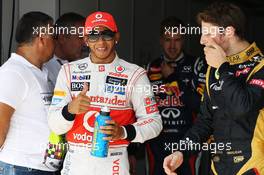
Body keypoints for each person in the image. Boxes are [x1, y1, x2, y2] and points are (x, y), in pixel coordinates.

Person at [48, 11, 163, 175]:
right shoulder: (68, 71)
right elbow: (54, 124)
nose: (101, 42)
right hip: (75, 165)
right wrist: (70, 110)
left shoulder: (135, 74)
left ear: (117, 37)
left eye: (107, 35)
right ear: (86, 40)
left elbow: (154, 122)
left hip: (115, 164)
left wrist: (123, 132)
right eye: (94, 36)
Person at [163, 2, 264, 175]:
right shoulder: (214, 68)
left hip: (252, 166)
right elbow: (205, 120)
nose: (202, 40)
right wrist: (182, 151)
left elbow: (242, 107)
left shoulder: (260, 66)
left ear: (229, 32)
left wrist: (223, 69)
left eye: (208, 33)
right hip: (217, 167)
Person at [146, 17, 207, 175]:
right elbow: (140, 109)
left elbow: (200, 105)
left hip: (187, 140)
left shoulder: (197, 65)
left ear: (184, 40)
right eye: (168, 40)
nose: (172, 45)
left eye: (177, 39)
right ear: (161, 40)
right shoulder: (150, 67)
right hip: (156, 142)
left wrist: (173, 79)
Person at [0, 12, 56, 175]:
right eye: (54, 36)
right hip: (20, 167)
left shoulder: (42, 71)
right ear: (42, 38)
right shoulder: (13, 72)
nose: (56, 42)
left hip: (40, 167)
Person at [45, 12, 86, 89]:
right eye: (80, 38)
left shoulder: (83, 64)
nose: (85, 43)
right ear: (62, 38)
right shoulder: (44, 66)